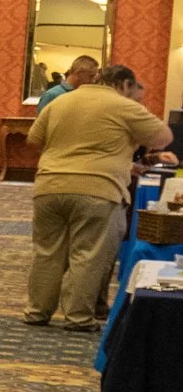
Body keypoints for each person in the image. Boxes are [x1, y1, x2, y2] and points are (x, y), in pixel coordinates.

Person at [26, 62, 177, 333]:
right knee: (88, 255)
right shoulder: (124, 106)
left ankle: (37, 312)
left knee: (47, 253)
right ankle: (78, 317)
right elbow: (163, 137)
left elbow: (34, 140)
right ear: (126, 85)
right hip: (98, 190)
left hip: (50, 185)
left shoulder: (61, 101)